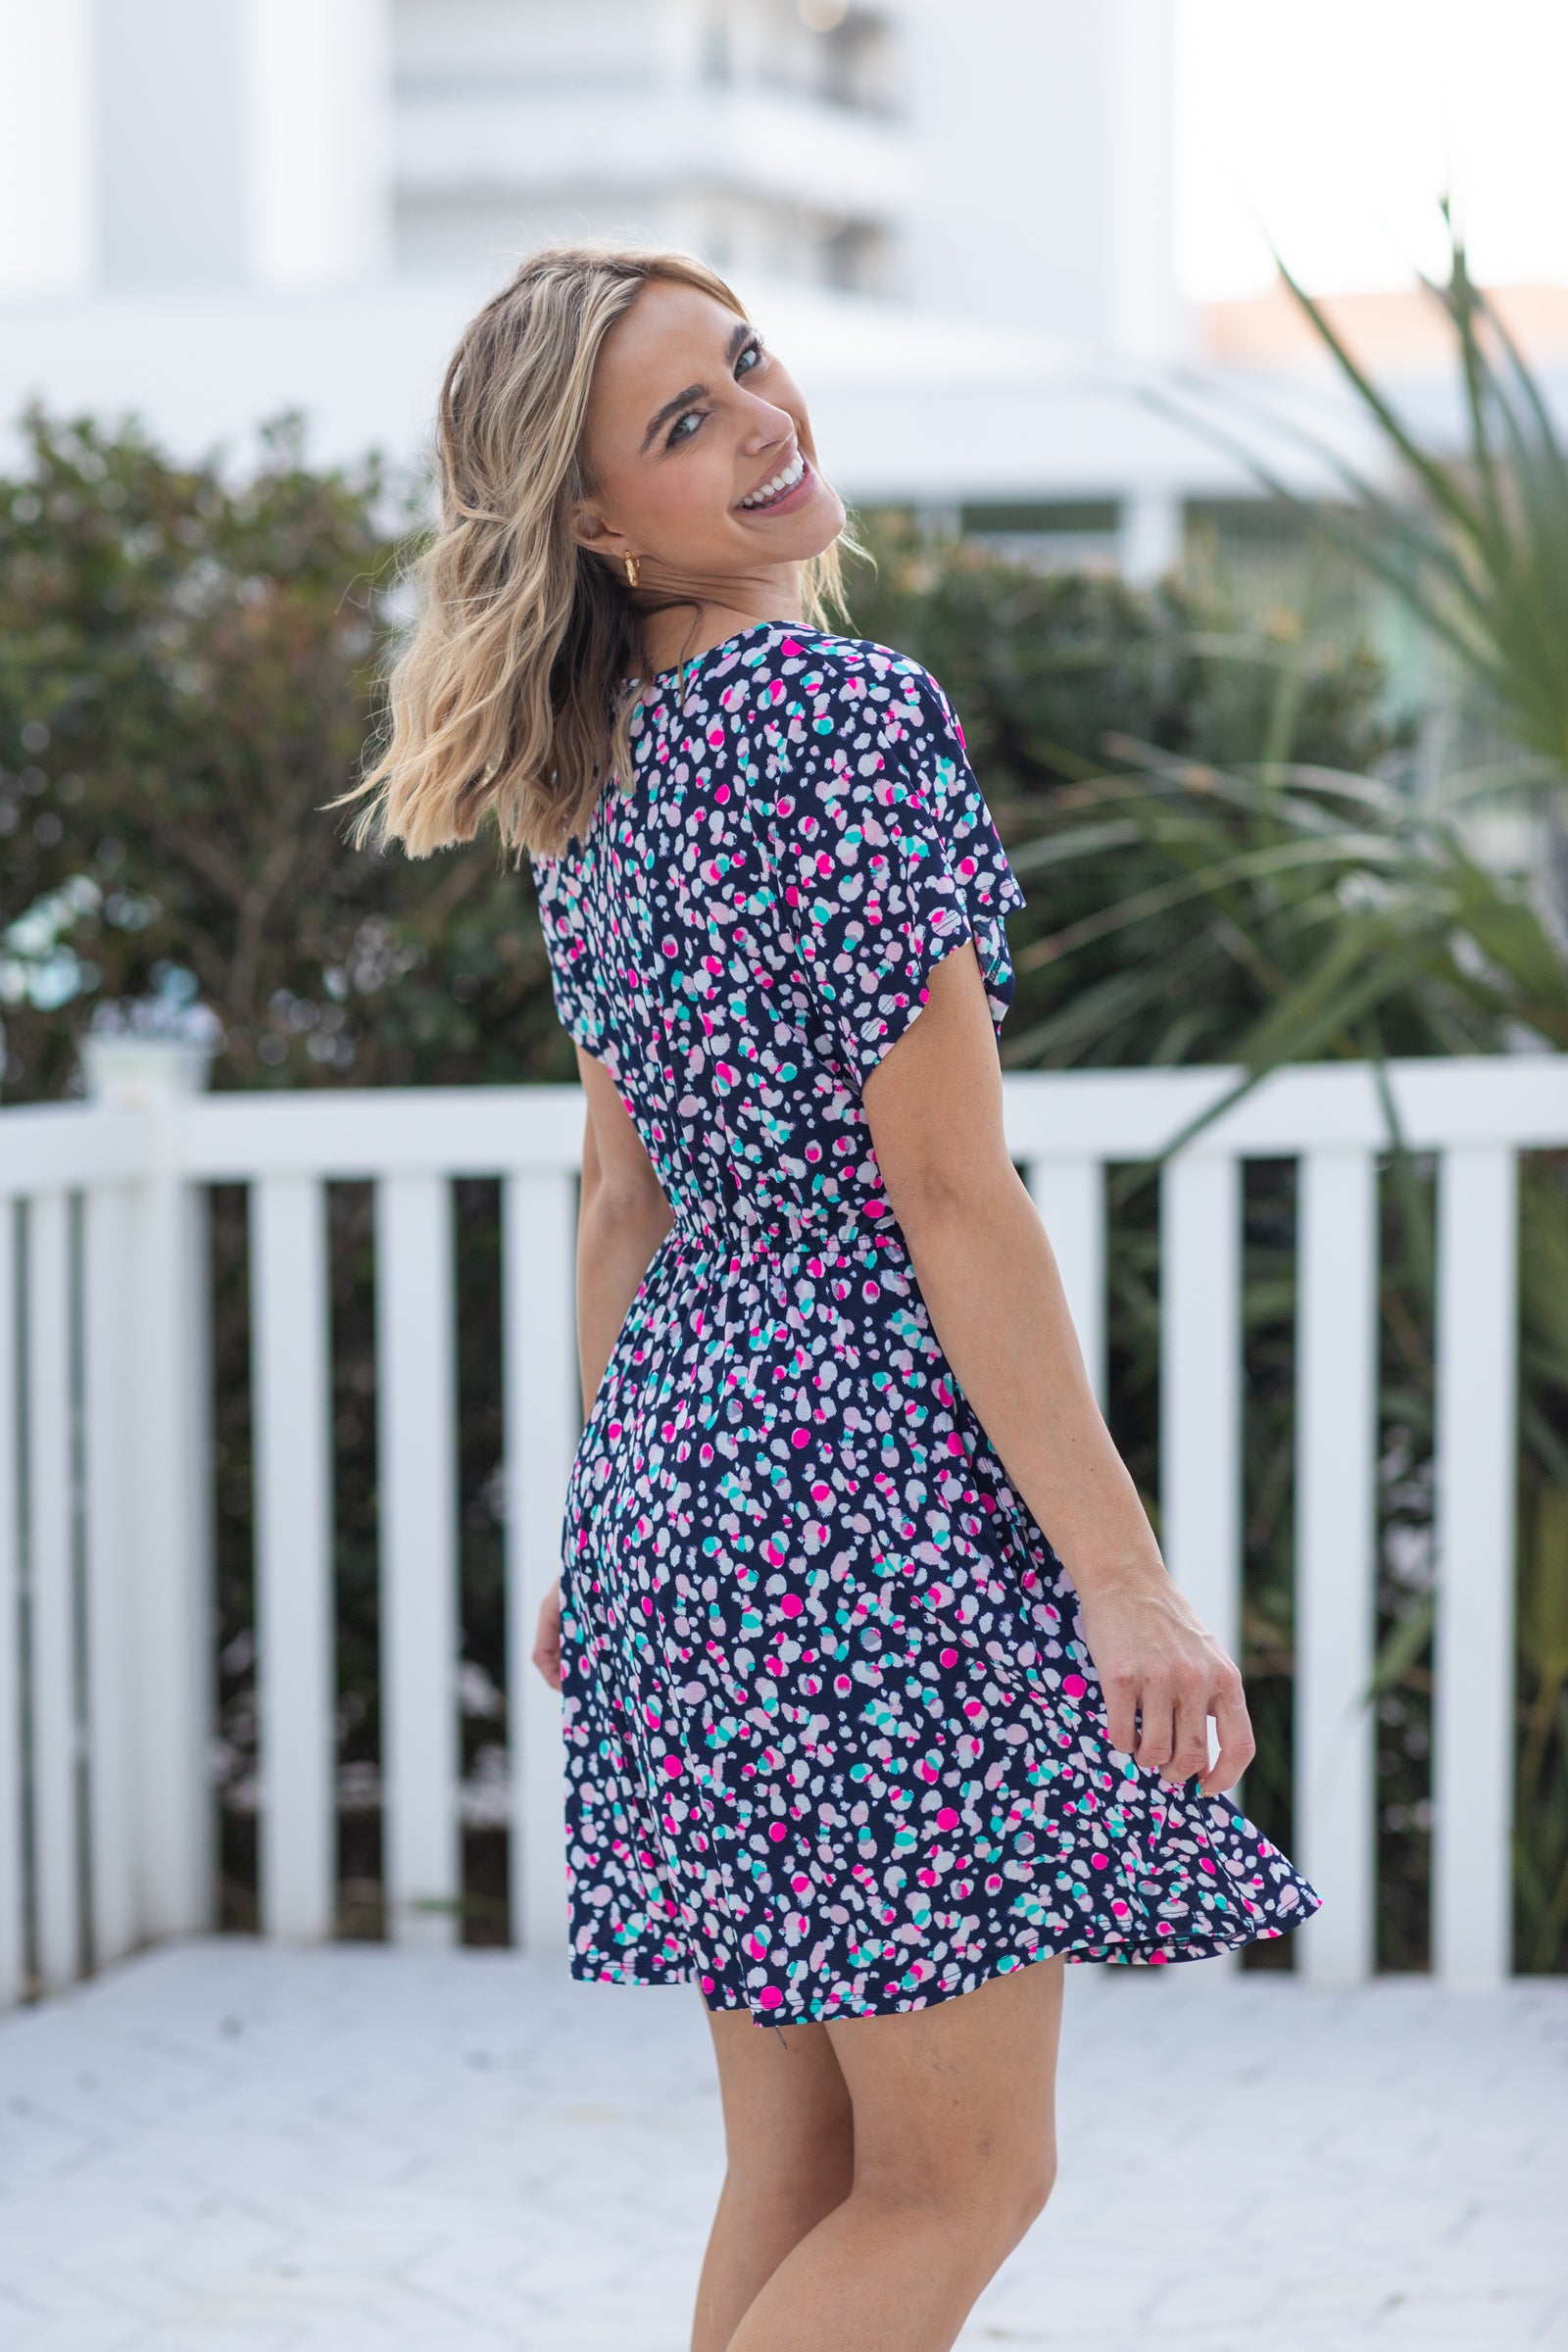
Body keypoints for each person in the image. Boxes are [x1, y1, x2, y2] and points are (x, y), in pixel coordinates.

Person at [358, 242, 1321, 2352]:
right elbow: (950, 1202)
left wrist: (606, 1519)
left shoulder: (587, 777)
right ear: (595, 524)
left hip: (693, 1480)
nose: (759, 421)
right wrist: (1126, 1581)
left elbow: (623, 1193)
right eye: (681, 423)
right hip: (864, 1490)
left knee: (804, 2170)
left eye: (745, 364)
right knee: (961, 2177)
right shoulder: (839, 711)